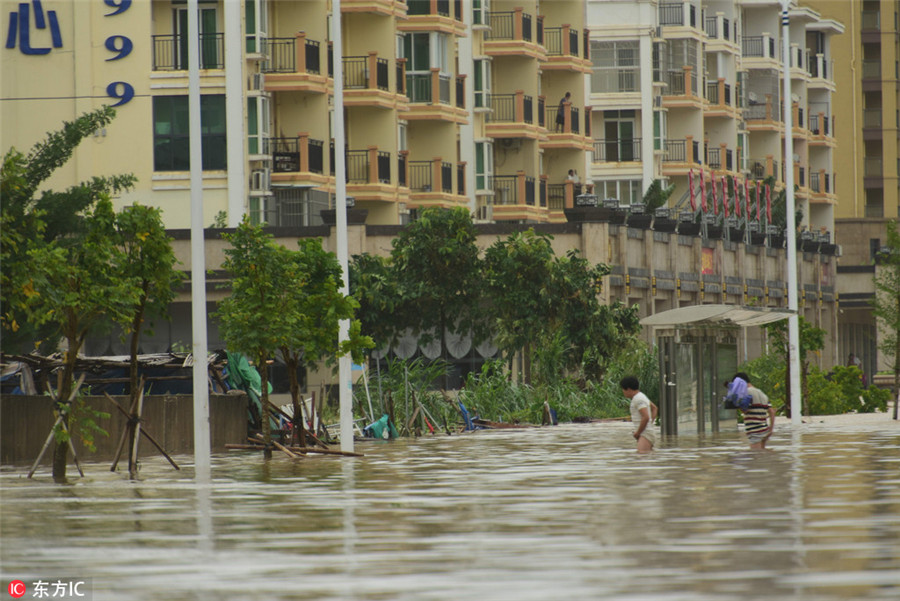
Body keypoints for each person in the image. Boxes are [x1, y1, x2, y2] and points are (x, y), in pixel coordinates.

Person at [730, 372, 775, 450]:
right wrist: (770, 430)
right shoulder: (762, 394)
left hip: (754, 431)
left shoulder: (746, 393)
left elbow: (745, 410)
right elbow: (772, 412)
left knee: (755, 456)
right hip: (764, 429)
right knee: (762, 455)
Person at [620, 376, 658, 452]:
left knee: (642, 459)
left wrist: (638, 433)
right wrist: (650, 424)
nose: (623, 391)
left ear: (629, 389)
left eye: (623, 389)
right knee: (645, 459)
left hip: (645, 434)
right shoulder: (641, 396)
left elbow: (646, 417)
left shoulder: (638, 399)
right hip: (646, 432)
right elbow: (654, 408)